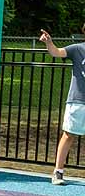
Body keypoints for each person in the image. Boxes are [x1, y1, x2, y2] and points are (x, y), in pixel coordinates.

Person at [39, 28, 85, 184]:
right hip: (77, 100)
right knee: (68, 135)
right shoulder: (77, 49)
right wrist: (49, 42)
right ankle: (58, 172)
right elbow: (56, 52)